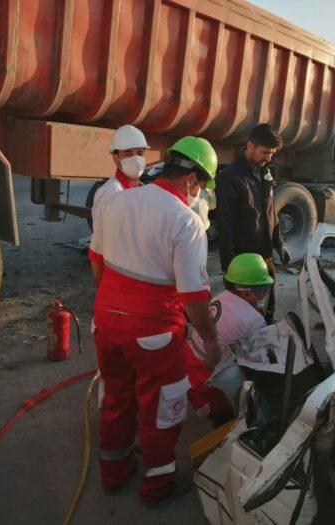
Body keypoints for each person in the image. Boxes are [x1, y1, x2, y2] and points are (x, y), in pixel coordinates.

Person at [88, 136, 221, 504]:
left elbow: (96, 260)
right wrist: (210, 339)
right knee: (163, 408)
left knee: (116, 398)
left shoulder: (117, 200)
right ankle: (156, 486)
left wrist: (115, 306)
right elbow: (195, 298)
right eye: (202, 186)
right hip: (154, 332)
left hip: (106, 322)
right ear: (192, 180)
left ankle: (113, 473)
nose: (200, 195)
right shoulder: (186, 222)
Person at [215, 124, 290, 322]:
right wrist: (229, 265)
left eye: (272, 154)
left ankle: (267, 324)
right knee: (242, 310)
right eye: (265, 152)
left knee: (267, 305)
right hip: (244, 259)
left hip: (265, 254)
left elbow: (271, 212)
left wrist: (279, 244)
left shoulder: (264, 173)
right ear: (249, 146)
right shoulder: (230, 177)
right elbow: (225, 223)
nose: (268, 158)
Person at [186, 253, 273, 421]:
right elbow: (262, 358)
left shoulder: (221, 297)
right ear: (247, 293)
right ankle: (219, 409)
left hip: (188, 370)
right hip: (203, 387)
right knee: (246, 372)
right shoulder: (253, 320)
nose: (264, 294)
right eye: (262, 290)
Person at [90, 125, 150, 233]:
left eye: (140, 153)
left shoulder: (145, 191)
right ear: (115, 158)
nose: (136, 159)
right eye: (128, 154)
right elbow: (102, 238)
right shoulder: (109, 193)